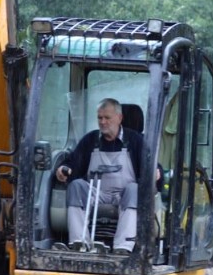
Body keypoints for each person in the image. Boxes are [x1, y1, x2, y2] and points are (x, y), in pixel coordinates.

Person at [55, 98, 151, 253]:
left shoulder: (136, 140)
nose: (103, 122)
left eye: (107, 118)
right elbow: (73, 162)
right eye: (100, 118)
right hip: (96, 193)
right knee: (76, 186)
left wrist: (156, 171)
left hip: (124, 196)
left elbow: (151, 164)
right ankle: (80, 244)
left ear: (119, 118)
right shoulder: (90, 140)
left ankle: (123, 247)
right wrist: (64, 169)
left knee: (134, 189)